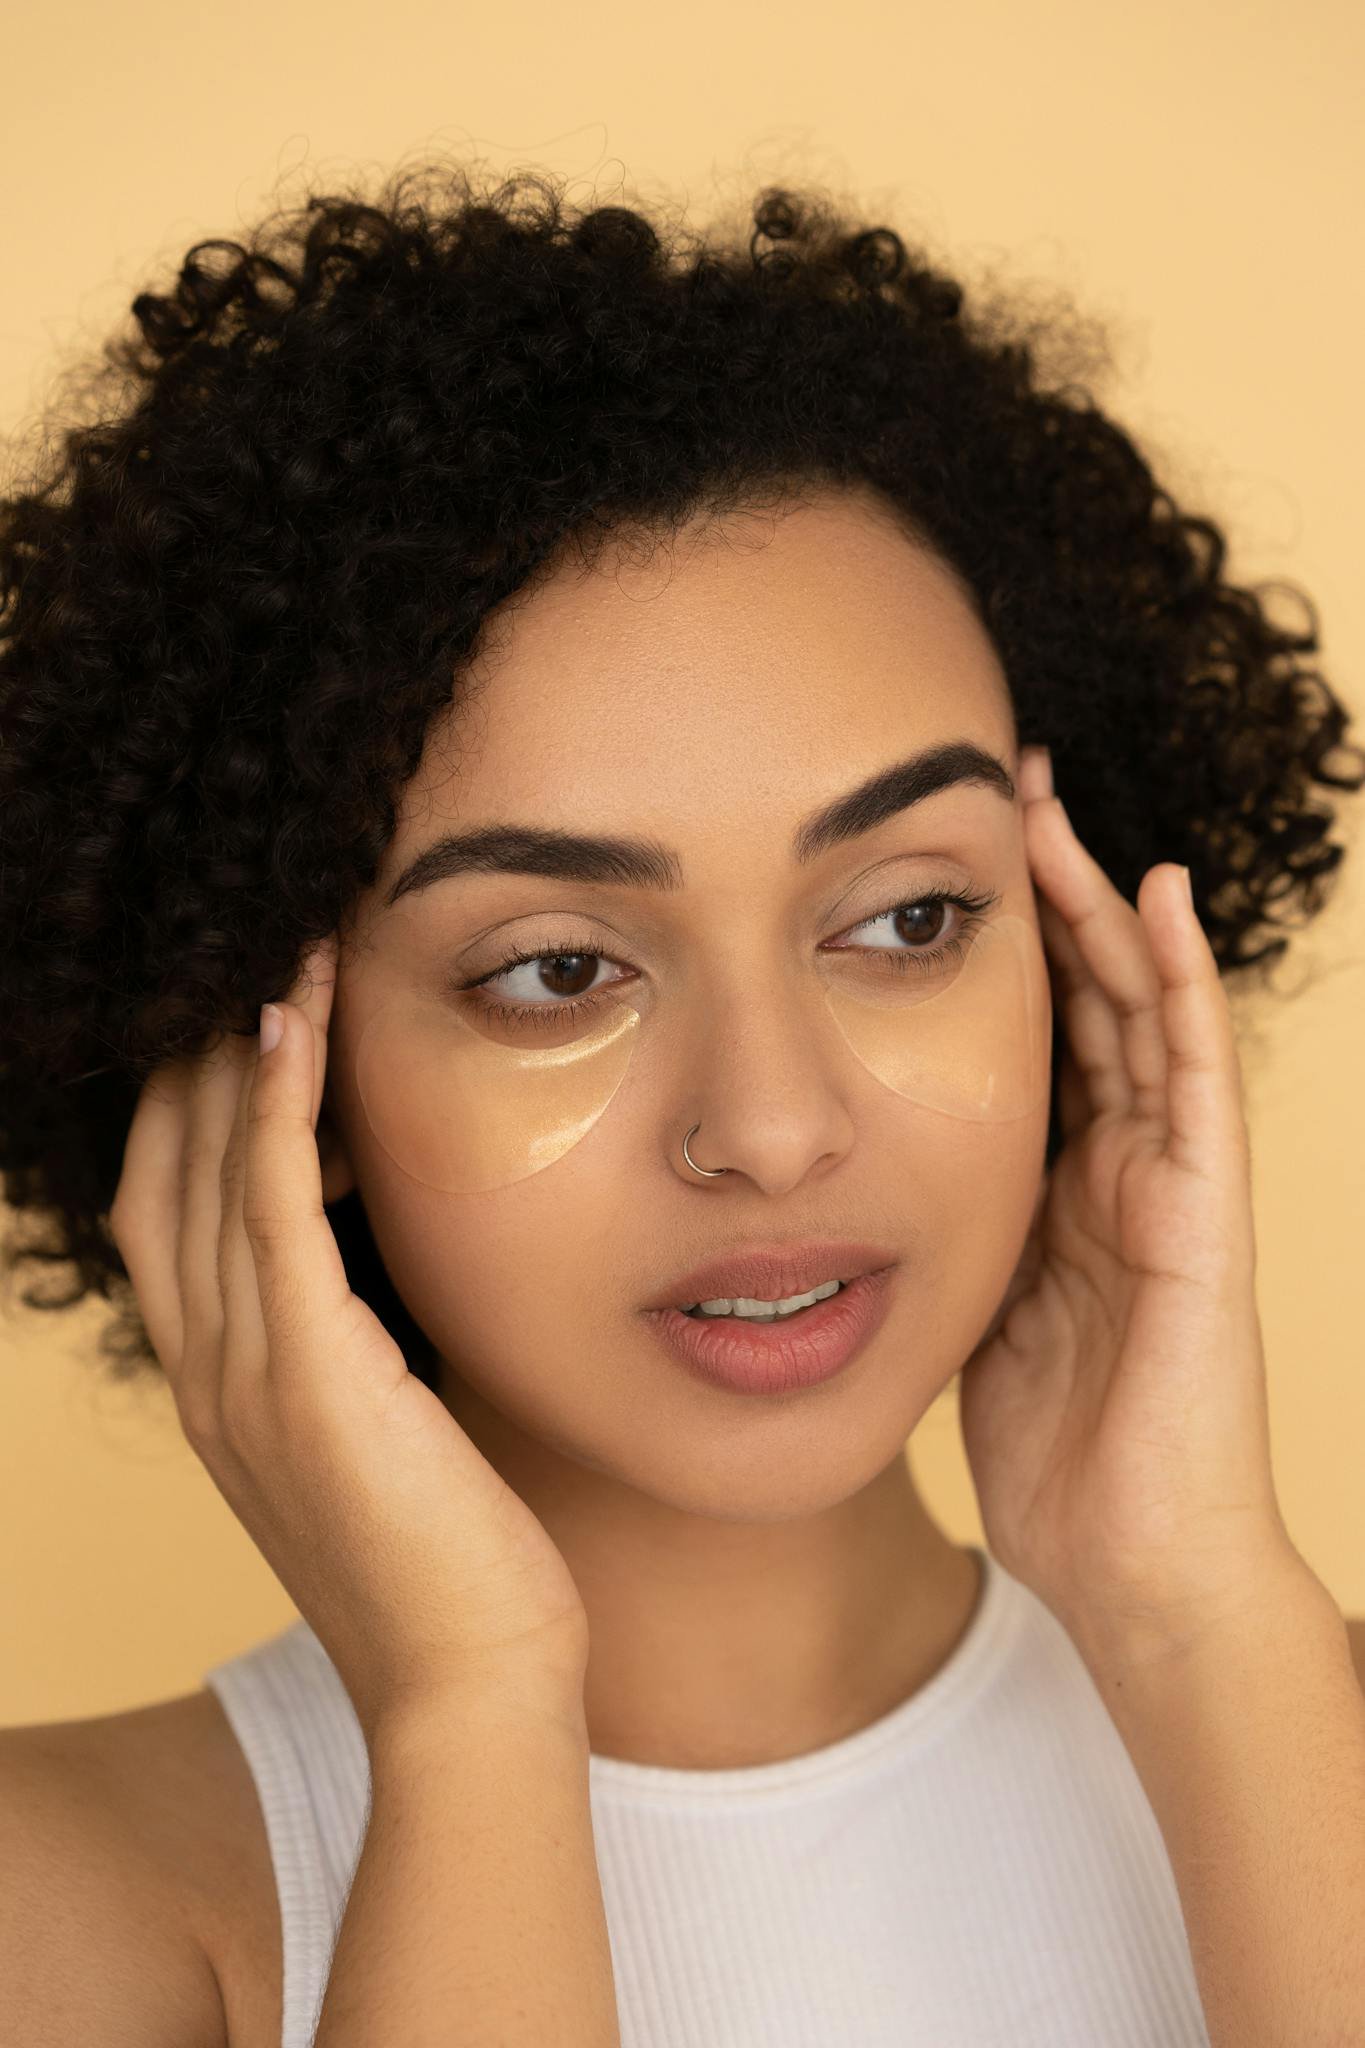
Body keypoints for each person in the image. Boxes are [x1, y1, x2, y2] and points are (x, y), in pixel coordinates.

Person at [3, 157, 1364, 2048]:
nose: (775, 1125)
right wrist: (472, 1709)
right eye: (558, 969)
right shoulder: (68, 1910)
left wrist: (1200, 1621)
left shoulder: (1301, 1730)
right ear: (269, 1081)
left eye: (907, 917)